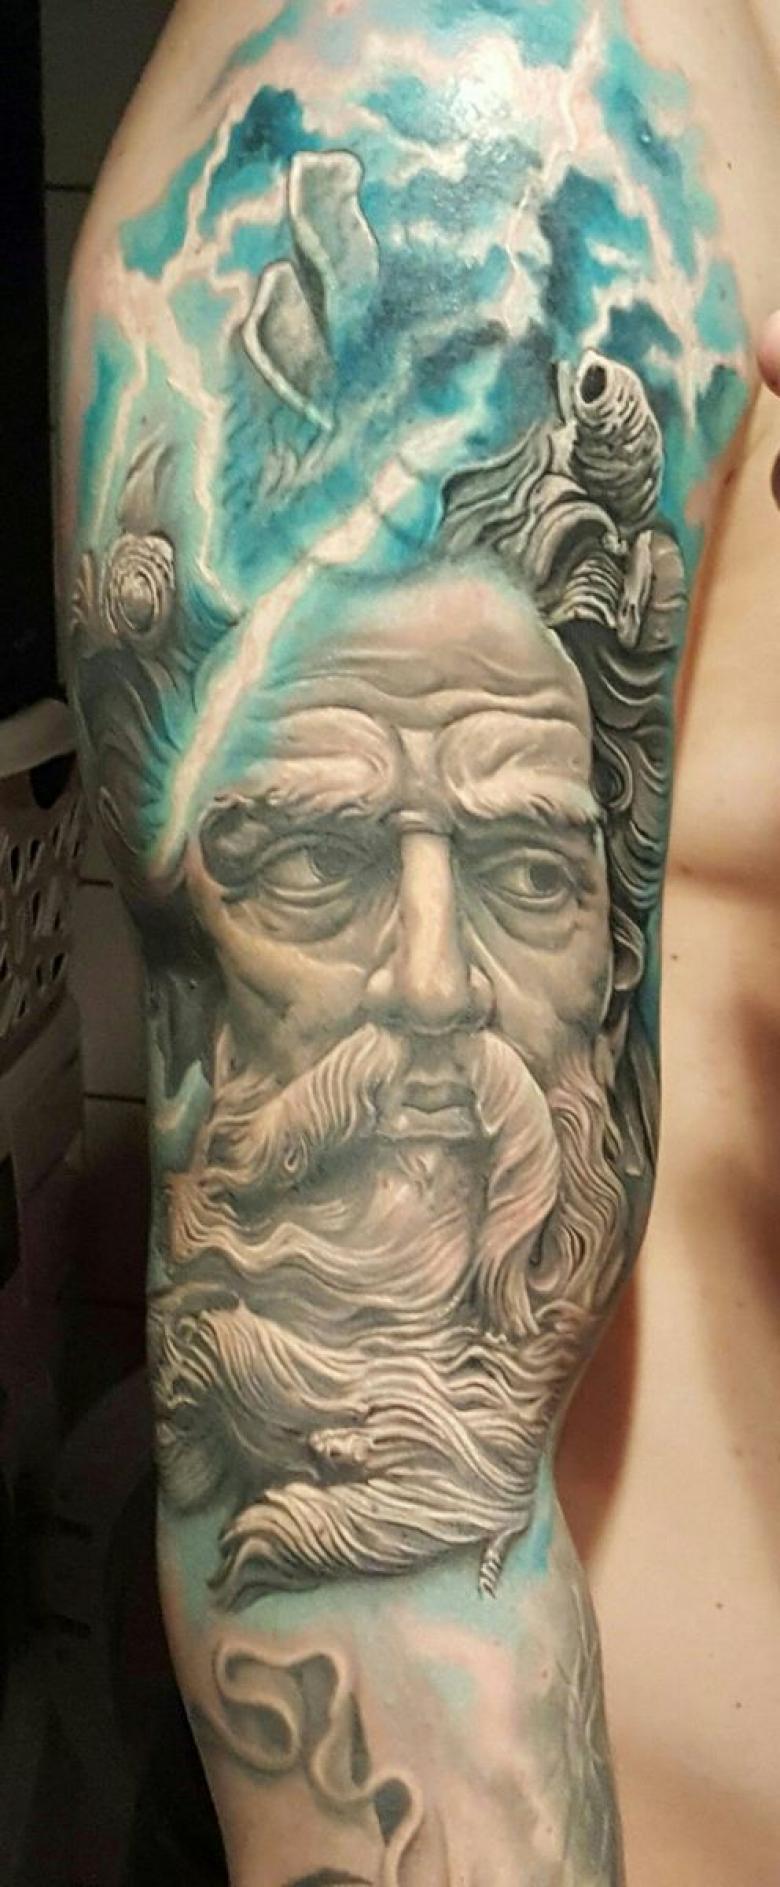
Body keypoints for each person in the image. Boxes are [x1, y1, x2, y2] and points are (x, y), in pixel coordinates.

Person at [61, 3, 780, 1881]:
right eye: (323, 862)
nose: (440, 983)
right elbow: (359, 1531)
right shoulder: (469, 69)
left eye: (527, 871)